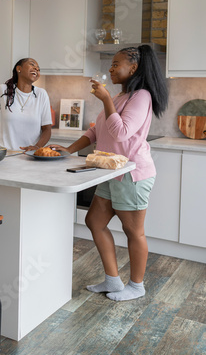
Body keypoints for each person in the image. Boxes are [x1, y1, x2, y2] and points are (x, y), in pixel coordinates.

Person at [52, 45, 168, 301]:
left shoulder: (141, 96)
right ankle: (113, 281)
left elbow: (121, 133)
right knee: (94, 221)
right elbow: (96, 131)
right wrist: (69, 150)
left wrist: (105, 99)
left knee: (133, 232)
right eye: (111, 64)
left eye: (116, 64)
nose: (111, 69)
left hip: (131, 173)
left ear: (133, 68)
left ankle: (137, 286)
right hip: (109, 171)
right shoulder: (119, 98)